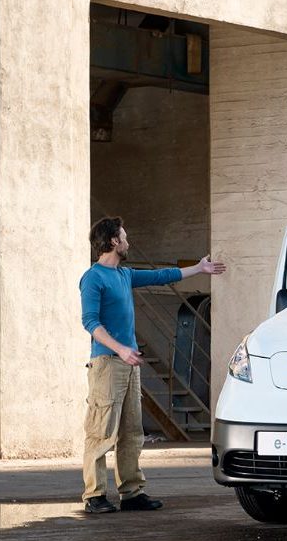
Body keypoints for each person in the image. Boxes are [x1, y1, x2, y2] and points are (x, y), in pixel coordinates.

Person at [80, 217, 226, 514]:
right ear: (112, 242)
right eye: (124, 236)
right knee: (101, 432)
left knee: (132, 432)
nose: (128, 241)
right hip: (107, 363)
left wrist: (199, 268)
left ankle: (131, 493)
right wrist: (121, 349)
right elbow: (90, 322)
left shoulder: (123, 275)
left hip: (129, 364)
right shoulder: (93, 278)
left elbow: (162, 276)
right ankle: (94, 495)